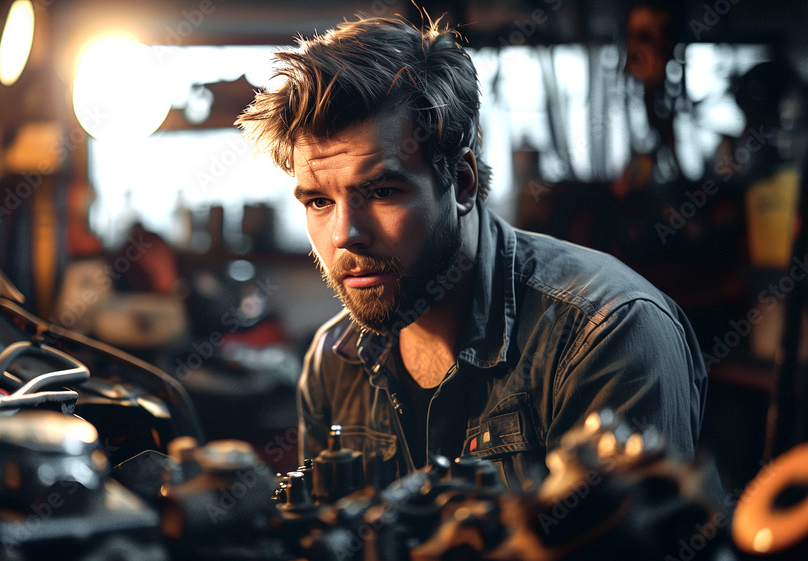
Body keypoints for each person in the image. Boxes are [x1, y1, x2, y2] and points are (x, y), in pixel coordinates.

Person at [235, 16, 707, 490]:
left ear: (461, 182)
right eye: (319, 201)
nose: (346, 234)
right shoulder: (334, 361)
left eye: (381, 192)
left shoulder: (607, 335)